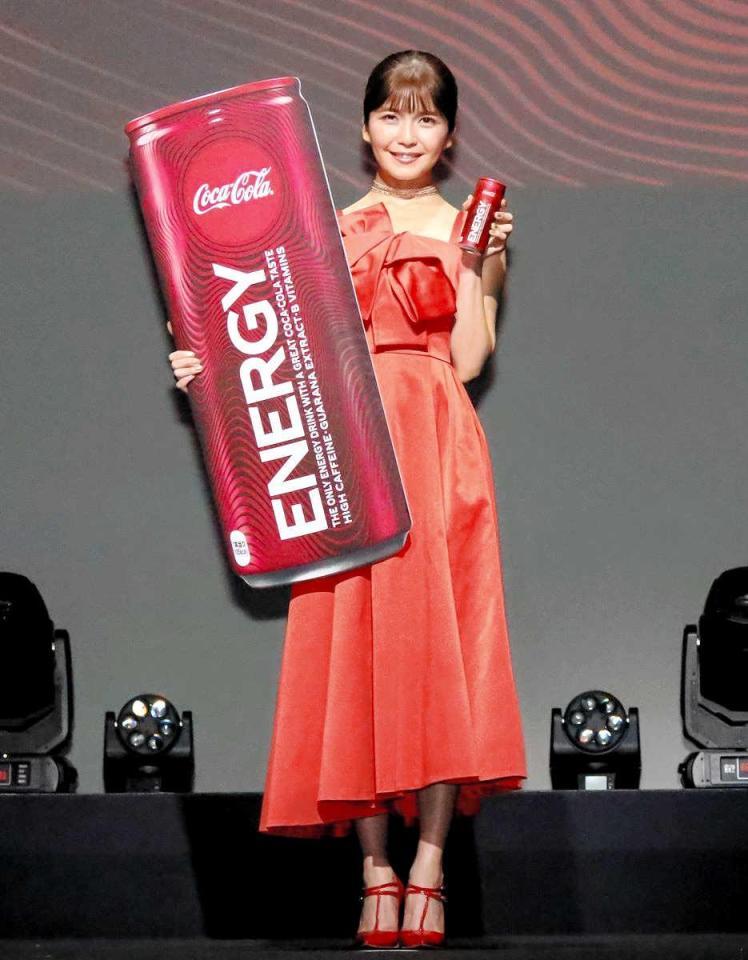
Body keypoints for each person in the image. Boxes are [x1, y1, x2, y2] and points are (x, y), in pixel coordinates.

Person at [167, 50, 526, 949]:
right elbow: (267, 345)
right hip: (346, 448)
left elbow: (468, 360)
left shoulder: (473, 226)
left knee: (437, 651)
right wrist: (202, 365)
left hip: (436, 443)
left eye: (426, 118)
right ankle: (374, 871)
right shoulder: (319, 225)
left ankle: (430, 868)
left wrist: (477, 262)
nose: (408, 134)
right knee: (353, 648)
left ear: (449, 135)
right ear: (365, 128)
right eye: (392, 115)